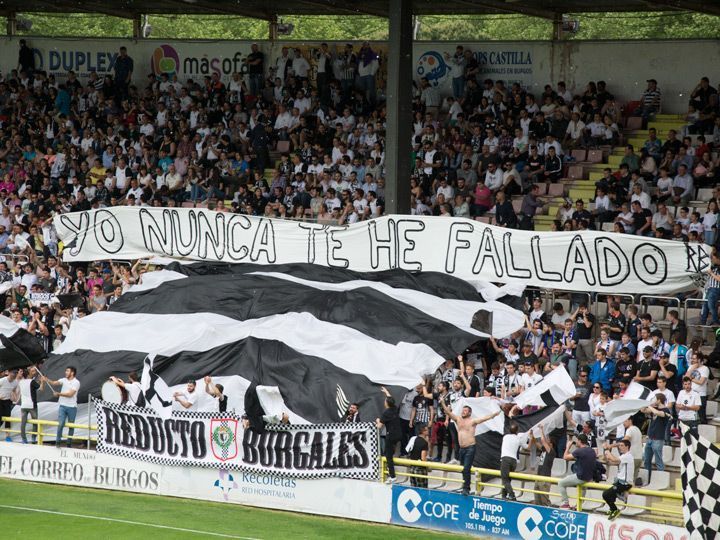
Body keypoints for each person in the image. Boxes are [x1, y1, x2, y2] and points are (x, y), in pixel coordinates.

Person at [441, 400, 501, 495]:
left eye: (465, 411)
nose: (463, 412)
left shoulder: (473, 421)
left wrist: (494, 414)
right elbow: (448, 412)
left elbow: (484, 418)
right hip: (462, 448)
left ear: (469, 413)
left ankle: (466, 488)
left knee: (466, 468)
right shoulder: (458, 419)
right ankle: (465, 485)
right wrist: (443, 403)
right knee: (463, 469)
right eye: (462, 410)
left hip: (470, 447)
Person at [44, 366, 81, 447]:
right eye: (66, 371)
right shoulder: (63, 380)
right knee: (61, 423)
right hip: (62, 406)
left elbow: (70, 394)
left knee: (71, 426)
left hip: (72, 407)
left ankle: (69, 443)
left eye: (67, 371)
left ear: (72, 373)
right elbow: (54, 383)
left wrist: (58, 394)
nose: (66, 372)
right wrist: (46, 379)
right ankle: (58, 442)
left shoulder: (76, 382)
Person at [558, 433, 597, 509]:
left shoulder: (579, 451)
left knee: (561, 483)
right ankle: (578, 506)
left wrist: (567, 447)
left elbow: (565, 457)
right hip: (589, 478)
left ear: (579, 441)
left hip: (580, 477)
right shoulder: (591, 451)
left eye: (577, 441)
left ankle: (565, 503)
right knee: (582, 488)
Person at [601, 439, 634, 521]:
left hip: (624, 483)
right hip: (620, 482)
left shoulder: (628, 456)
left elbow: (614, 460)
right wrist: (607, 454)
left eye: (622, 445)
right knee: (609, 495)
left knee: (605, 494)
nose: (620, 447)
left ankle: (615, 509)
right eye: (619, 445)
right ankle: (616, 504)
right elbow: (610, 460)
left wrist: (606, 449)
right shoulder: (624, 456)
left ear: (627, 447)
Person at [376, 387, 403, 483]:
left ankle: (392, 476)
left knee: (388, 456)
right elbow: (391, 398)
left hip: (390, 436)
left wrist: (378, 420)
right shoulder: (395, 408)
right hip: (399, 434)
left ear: (387, 403)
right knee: (391, 450)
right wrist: (386, 392)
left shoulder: (386, 413)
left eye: (385, 401)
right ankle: (393, 452)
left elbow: (379, 426)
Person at [642, 394, 671, 475]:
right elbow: (643, 410)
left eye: (654, 399)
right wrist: (644, 403)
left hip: (658, 438)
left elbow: (658, 413)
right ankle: (647, 478)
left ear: (658, 400)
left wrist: (649, 405)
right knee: (646, 460)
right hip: (650, 437)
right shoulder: (654, 408)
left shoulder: (666, 410)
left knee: (658, 460)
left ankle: (660, 477)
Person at [500, 422, 528, 501]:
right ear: (517, 431)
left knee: (505, 479)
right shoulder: (519, 439)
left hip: (505, 459)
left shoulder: (505, 437)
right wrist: (531, 438)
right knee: (508, 480)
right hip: (514, 461)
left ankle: (512, 495)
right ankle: (504, 495)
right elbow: (527, 447)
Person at [18, 366, 45, 444]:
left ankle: (24, 439)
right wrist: (42, 381)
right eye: (32, 372)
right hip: (32, 405)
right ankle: (33, 438)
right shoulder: (32, 382)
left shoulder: (21, 381)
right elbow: (41, 389)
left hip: (23, 405)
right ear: (28, 373)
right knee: (35, 423)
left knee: (23, 423)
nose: (33, 373)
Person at [0, 369, 19, 441]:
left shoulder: (15, 382)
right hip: (0, 400)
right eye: (13, 373)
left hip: (8, 401)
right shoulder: (2, 380)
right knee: (0, 418)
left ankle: (7, 436)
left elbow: (14, 390)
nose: (14, 375)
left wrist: (15, 397)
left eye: (16, 373)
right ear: (9, 373)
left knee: (8, 418)